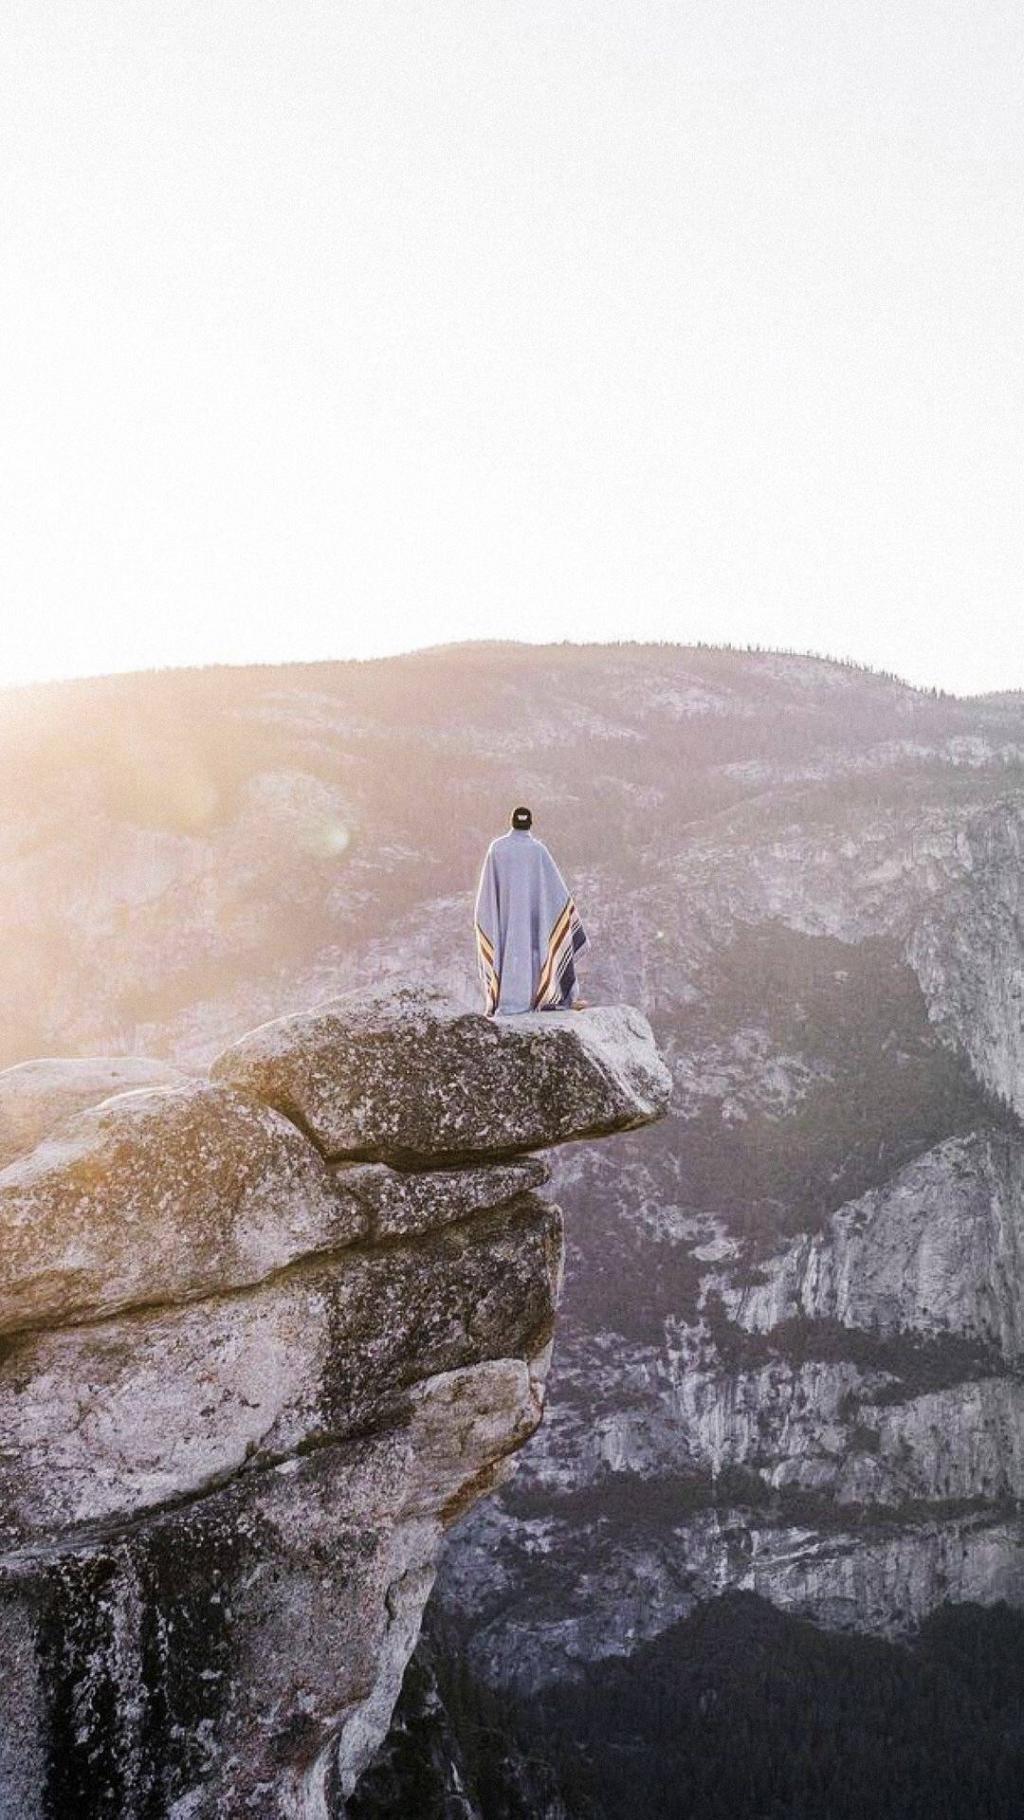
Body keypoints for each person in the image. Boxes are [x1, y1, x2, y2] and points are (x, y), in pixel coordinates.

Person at [474, 805, 589, 1015]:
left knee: (508, 951)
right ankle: (539, 996)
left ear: (512, 822)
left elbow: (486, 900)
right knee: (538, 947)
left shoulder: (497, 849)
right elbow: (557, 897)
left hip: (505, 926)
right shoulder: (538, 851)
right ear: (530, 823)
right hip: (534, 932)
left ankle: (506, 998)